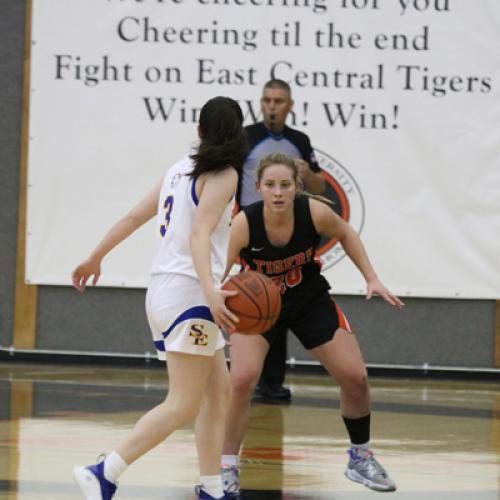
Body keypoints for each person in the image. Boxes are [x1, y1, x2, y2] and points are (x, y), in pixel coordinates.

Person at [71, 96, 248, 500]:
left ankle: (211, 487)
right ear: (239, 135)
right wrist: (211, 293)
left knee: (217, 394)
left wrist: (95, 255)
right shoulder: (223, 176)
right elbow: (199, 234)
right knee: (184, 403)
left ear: (199, 131)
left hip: (164, 293)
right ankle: (105, 471)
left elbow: (134, 216)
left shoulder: (178, 169)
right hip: (190, 295)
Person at [221, 153, 404, 496]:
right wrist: (216, 307)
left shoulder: (314, 212)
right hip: (259, 307)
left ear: (297, 187)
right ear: (258, 187)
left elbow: (347, 234)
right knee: (242, 379)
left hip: (308, 300)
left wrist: (372, 278)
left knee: (355, 377)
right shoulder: (245, 224)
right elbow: (219, 272)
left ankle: (360, 458)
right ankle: (228, 467)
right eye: (271, 185)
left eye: (285, 185)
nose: (278, 192)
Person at [239, 79, 326, 401]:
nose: (272, 106)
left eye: (279, 101)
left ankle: (272, 383)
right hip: (250, 228)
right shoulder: (246, 137)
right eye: (267, 100)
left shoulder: (299, 140)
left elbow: (320, 187)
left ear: (290, 106)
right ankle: (246, 377)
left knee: (282, 300)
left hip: (289, 230)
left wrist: (309, 173)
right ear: (260, 104)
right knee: (256, 299)